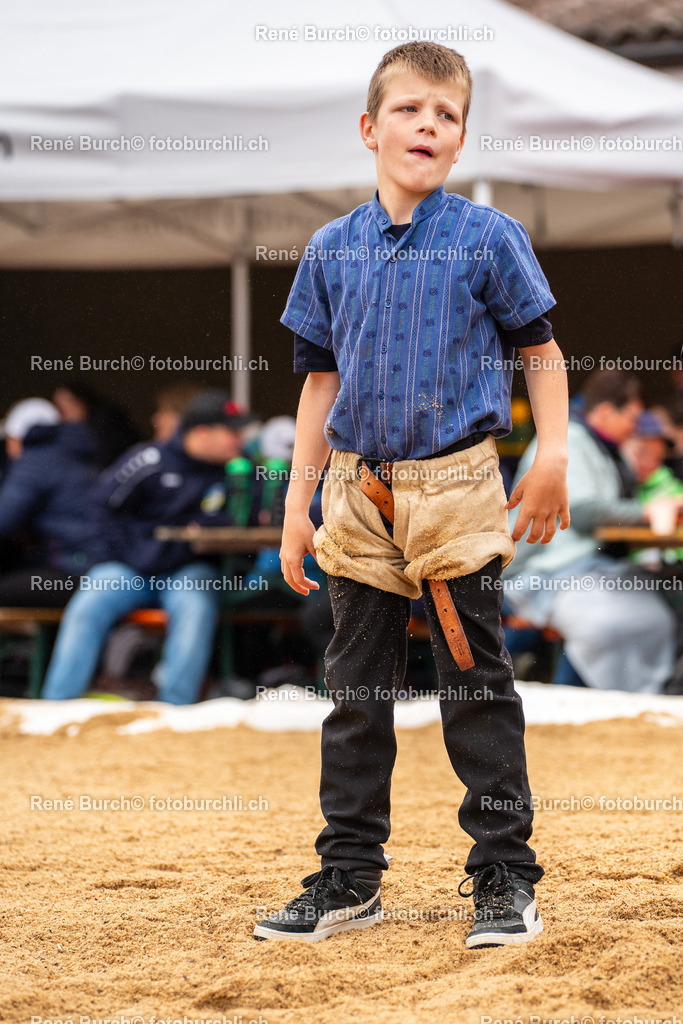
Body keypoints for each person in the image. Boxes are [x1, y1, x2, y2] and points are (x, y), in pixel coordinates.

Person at [254, 42, 570, 948]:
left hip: (458, 485)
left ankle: (504, 876)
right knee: (355, 690)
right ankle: (349, 877)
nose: (426, 124)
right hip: (355, 492)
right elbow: (318, 386)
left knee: (474, 687)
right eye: (408, 109)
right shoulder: (328, 249)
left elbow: (539, 356)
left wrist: (550, 455)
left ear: (460, 139)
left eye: (445, 115)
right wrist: (294, 506)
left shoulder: (488, 237)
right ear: (369, 127)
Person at [41, 392, 258, 705]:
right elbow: (101, 508)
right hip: (132, 570)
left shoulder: (241, 470)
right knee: (90, 600)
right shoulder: (149, 459)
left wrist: (214, 523)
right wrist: (126, 554)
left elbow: (257, 518)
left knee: (195, 607)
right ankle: (57, 705)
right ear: (201, 433)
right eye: (232, 432)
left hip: (189, 570)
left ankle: (175, 709)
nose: (241, 439)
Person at [503, 370, 677, 694]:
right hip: (543, 569)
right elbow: (583, 512)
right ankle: (571, 700)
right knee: (605, 625)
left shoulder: (602, 448)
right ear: (607, 411)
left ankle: (637, 699)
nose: (634, 427)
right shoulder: (568, 439)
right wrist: (647, 512)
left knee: (658, 613)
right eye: (632, 418)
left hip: (586, 567)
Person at [0, 398, 101, 606]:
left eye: (8, 439)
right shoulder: (77, 454)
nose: (8, 449)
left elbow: (4, 521)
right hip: (97, 566)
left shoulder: (35, 461)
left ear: (19, 437)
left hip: (74, 570)